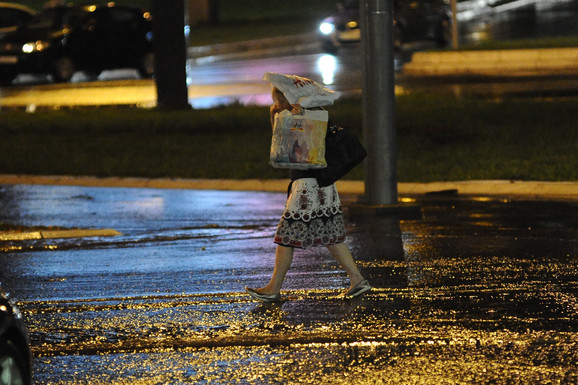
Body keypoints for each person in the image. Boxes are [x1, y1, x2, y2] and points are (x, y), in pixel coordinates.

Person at [245, 87, 371, 302]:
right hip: (322, 183)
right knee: (330, 235)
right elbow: (280, 146)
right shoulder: (301, 113)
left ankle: (273, 288)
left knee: (287, 235)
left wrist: (291, 115)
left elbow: (295, 148)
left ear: (288, 96)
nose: (276, 102)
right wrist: (274, 113)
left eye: (278, 98)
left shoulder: (306, 115)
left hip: (308, 184)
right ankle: (358, 280)